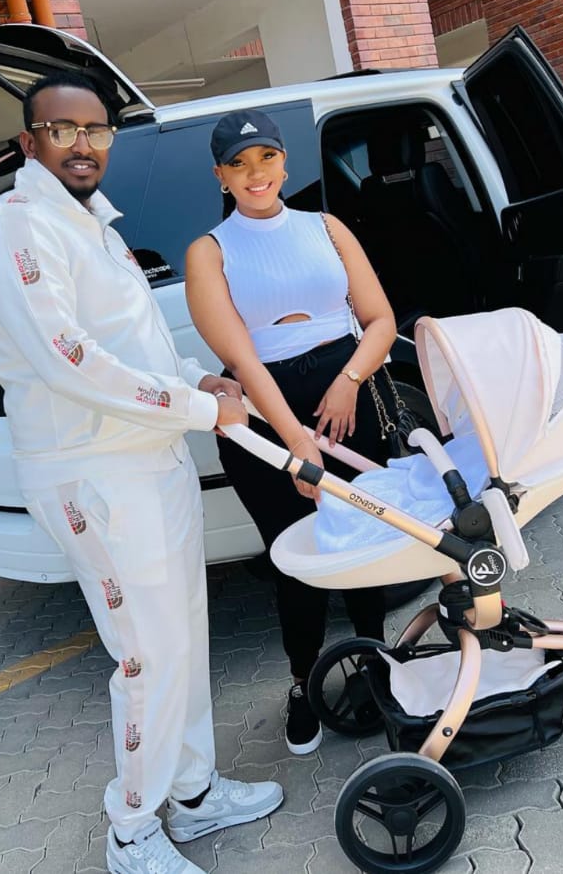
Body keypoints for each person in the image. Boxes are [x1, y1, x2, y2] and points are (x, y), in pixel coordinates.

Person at [0, 72, 283, 874]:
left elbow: (131, 341)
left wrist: (194, 377)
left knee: (182, 635)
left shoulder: (92, 224)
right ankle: (133, 828)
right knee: (145, 652)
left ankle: (194, 791)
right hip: (95, 473)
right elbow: (70, 361)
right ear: (28, 139)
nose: (83, 145)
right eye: (63, 130)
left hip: (151, 459)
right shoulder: (16, 226)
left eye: (97, 131)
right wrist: (205, 410)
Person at [184, 109, 400, 755]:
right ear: (222, 176)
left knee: (363, 535)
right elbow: (244, 361)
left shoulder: (326, 226)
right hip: (263, 413)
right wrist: (298, 442)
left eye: (267, 158)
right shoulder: (209, 251)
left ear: (285, 162)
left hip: (346, 392)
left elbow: (381, 317)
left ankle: (375, 658)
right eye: (240, 164)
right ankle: (305, 680)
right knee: (296, 556)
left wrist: (350, 379)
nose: (257, 174)